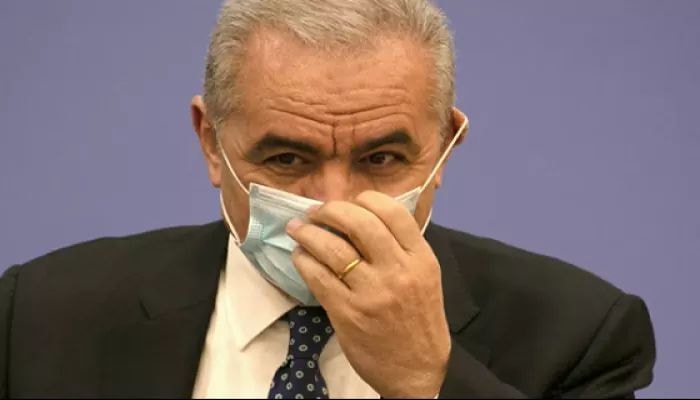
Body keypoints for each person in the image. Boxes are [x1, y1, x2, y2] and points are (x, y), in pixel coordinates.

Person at [0, 0, 655, 398]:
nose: (333, 205)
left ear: (446, 147)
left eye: (381, 160)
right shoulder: (39, 318)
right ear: (211, 144)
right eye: (287, 159)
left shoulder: (578, 335)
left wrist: (428, 383)